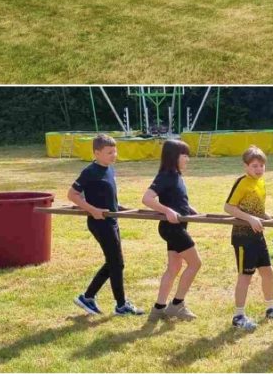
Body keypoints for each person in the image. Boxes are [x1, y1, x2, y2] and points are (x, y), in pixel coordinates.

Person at [68, 135, 143, 317]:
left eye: (115, 151)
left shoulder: (109, 169)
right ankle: (119, 305)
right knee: (116, 263)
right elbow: (72, 194)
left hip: (111, 221)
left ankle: (89, 297)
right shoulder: (90, 171)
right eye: (109, 152)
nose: (114, 155)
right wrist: (92, 210)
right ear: (97, 153)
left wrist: (119, 207)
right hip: (100, 223)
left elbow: (106, 195)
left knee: (114, 263)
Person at [223, 146, 273, 330]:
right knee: (245, 276)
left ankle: (270, 309)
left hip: (257, 236)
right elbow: (229, 207)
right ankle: (238, 316)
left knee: (267, 272)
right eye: (254, 166)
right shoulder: (242, 182)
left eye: (261, 165)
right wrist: (250, 219)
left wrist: (264, 215)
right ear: (245, 166)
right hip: (243, 237)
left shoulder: (260, 182)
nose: (259, 169)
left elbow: (255, 208)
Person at [142, 139, 201, 321]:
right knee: (195, 264)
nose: (187, 159)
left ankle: (158, 309)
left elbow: (175, 198)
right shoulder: (166, 175)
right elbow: (147, 199)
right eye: (184, 155)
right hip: (172, 228)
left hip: (176, 227)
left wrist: (188, 209)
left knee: (174, 267)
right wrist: (167, 211)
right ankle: (176, 305)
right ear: (173, 156)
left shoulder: (176, 176)